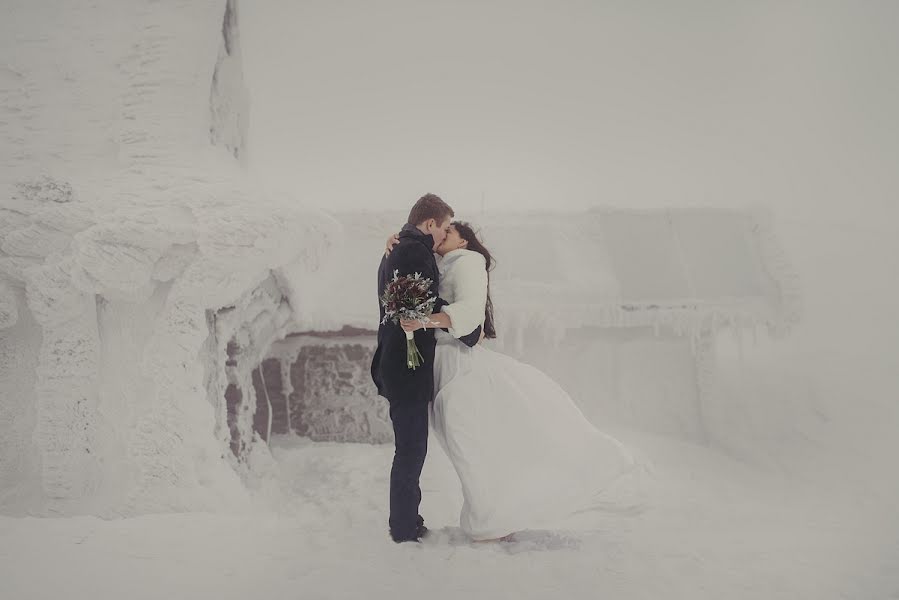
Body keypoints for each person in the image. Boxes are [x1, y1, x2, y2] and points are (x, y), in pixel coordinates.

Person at [386, 221, 636, 542]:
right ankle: (492, 516)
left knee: (469, 446)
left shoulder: (469, 262)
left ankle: (489, 522)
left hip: (457, 367)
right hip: (442, 364)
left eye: (449, 232)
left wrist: (422, 319)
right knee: (464, 447)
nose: (441, 235)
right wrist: (391, 241)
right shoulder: (443, 263)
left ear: (464, 241)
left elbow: (470, 312)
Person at [371, 194, 481, 543]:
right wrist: (462, 324)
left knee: (411, 448)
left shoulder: (399, 247)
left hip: (398, 361)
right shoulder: (413, 249)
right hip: (406, 366)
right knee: (411, 449)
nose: (446, 232)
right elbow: (423, 301)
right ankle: (404, 528)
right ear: (430, 223)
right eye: (445, 226)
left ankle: (405, 521)